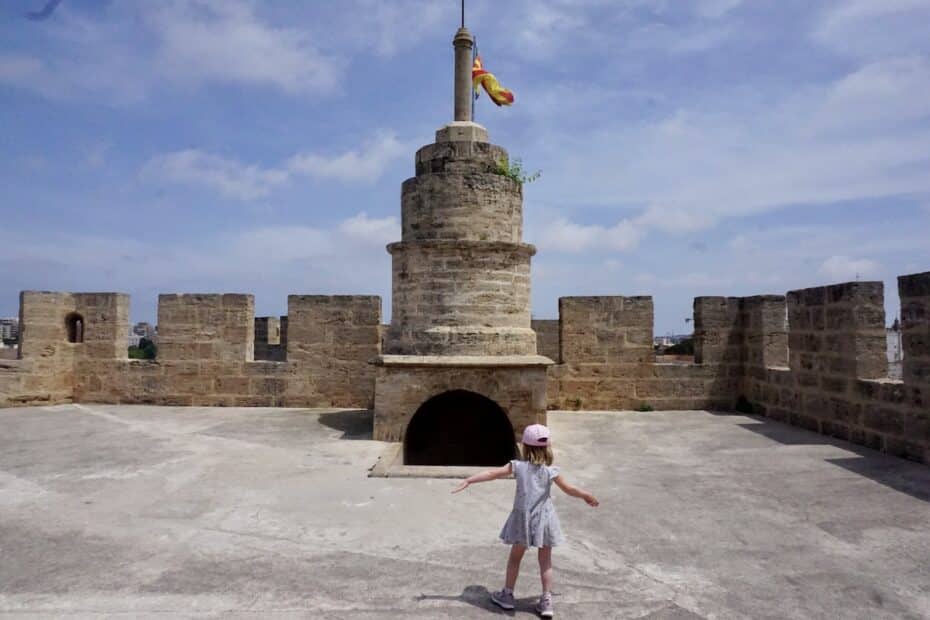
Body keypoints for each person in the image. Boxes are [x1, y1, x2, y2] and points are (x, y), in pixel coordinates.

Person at [452, 423, 599, 617]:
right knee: (545, 561)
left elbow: (492, 474)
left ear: (525, 447)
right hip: (545, 520)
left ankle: (507, 595)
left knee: (515, 558)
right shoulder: (551, 471)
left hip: (523, 521)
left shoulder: (517, 466)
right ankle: (546, 600)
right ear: (547, 448)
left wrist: (470, 480)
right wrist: (585, 495)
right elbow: (569, 489)